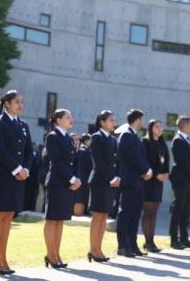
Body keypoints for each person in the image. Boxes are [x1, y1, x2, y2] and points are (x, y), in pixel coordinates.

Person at [0, 90, 34, 276]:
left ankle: (3, 258)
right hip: (3, 175)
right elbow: (0, 149)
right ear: (6, 103)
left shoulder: (23, 125)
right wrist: (17, 169)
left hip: (19, 176)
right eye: (16, 102)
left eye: (22, 102)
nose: (20, 105)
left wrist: (26, 170)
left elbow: (29, 152)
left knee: (8, 217)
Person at [43, 109, 82, 269]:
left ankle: (56, 254)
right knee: (52, 219)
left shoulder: (68, 137)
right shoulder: (52, 137)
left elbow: (75, 160)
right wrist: (71, 178)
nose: (71, 119)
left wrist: (76, 179)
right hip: (57, 183)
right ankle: (50, 254)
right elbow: (57, 161)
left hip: (67, 184)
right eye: (67, 117)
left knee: (60, 220)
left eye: (71, 117)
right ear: (58, 120)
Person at [115, 109, 153, 257]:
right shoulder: (126, 135)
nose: (143, 122)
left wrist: (146, 169)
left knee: (135, 213)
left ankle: (132, 244)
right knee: (126, 213)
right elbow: (133, 157)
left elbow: (139, 156)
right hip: (130, 180)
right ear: (137, 120)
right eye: (141, 119)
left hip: (137, 180)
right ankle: (122, 245)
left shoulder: (133, 135)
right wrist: (146, 170)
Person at [88, 110, 120, 263]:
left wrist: (117, 177)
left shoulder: (113, 139)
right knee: (97, 216)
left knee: (104, 216)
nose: (114, 123)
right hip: (100, 181)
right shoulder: (96, 137)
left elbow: (116, 162)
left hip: (111, 182)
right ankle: (93, 249)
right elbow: (98, 162)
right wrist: (111, 177)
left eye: (114, 120)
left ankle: (98, 249)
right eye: (111, 120)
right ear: (102, 122)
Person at [169, 115, 190, 249]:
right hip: (181, 179)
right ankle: (174, 239)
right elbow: (182, 162)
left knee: (187, 209)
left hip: (189, 180)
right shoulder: (178, 141)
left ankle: (184, 237)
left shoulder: (188, 141)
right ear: (185, 125)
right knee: (178, 209)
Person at [141, 119, 170, 253]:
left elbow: (166, 160)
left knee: (154, 212)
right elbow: (145, 161)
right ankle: (147, 241)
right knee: (148, 212)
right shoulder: (145, 142)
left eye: (161, 127)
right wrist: (156, 174)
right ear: (151, 128)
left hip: (158, 182)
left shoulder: (162, 143)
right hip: (149, 181)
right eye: (157, 126)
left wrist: (165, 173)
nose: (160, 129)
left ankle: (151, 241)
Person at [74, 134, 92, 217]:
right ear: (86, 141)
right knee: (82, 194)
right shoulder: (85, 151)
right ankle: (82, 211)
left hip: (79, 175)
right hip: (84, 176)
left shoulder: (80, 150)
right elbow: (90, 165)